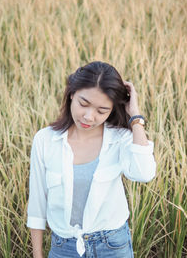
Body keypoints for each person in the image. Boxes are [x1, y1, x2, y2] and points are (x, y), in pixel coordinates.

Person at [26, 61, 156, 258]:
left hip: (112, 246)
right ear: (71, 94)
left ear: (112, 110)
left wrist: (135, 117)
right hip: (64, 248)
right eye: (83, 104)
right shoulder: (45, 140)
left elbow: (144, 173)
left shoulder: (120, 139)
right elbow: (37, 203)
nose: (88, 116)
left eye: (101, 111)